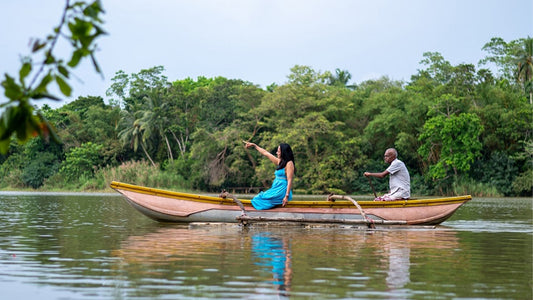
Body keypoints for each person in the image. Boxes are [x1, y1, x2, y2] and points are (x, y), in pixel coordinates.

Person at [244, 142, 295, 210]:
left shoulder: (289, 163)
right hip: (275, 188)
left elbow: (290, 180)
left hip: (282, 190)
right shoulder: (280, 162)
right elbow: (266, 153)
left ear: (283, 152)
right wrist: (254, 145)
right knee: (258, 197)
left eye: (279, 151)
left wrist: (286, 196)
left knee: (261, 199)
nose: (277, 153)